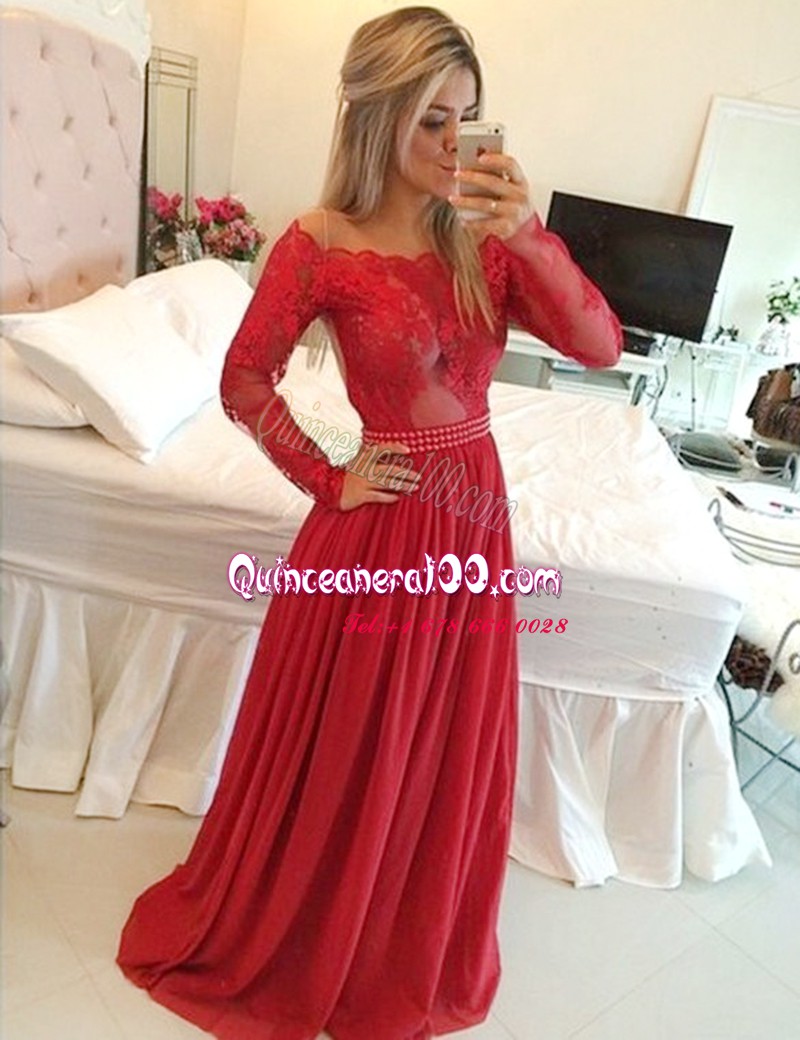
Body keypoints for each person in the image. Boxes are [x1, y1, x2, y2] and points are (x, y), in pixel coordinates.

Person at [116, 7, 622, 1039]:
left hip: (472, 523)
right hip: (376, 527)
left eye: (468, 118)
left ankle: (397, 926)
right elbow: (243, 378)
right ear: (376, 114)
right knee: (354, 736)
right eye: (430, 119)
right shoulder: (319, 243)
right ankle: (318, 920)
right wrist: (326, 475)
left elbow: (600, 346)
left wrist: (525, 233)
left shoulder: (486, 241)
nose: (453, 142)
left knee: (438, 736)